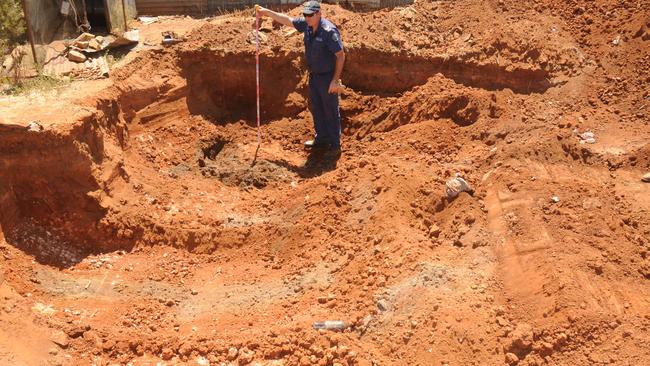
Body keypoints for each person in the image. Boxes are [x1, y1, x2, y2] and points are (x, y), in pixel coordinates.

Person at [256, 1, 345, 155]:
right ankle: (322, 139)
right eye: (305, 15)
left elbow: (341, 55)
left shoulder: (329, 31)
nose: (307, 18)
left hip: (327, 77)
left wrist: (335, 80)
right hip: (314, 76)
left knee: (330, 110)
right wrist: (267, 12)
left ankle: (335, 146)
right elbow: (287, 20)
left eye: (310, 15)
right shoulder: (307, 26)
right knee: (316, 108)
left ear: (318, 14)